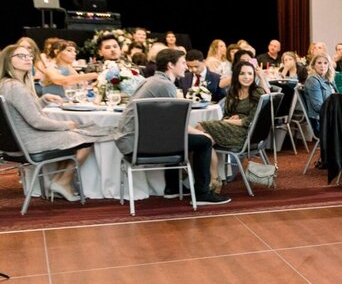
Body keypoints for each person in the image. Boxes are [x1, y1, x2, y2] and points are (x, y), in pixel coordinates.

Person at [117, 48, 230, 205]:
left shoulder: (151, 80)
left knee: (172, 137)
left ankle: (173, 188)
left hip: (131, 142)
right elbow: (176, 125)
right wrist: (203, 135)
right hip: (137, 144)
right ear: (171, 65)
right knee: (203, 142)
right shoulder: (165, 85)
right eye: (183, 63)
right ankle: (202, 193)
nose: (186, 67)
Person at [0, 43, 105, 201]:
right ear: (8, 61)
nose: (28, 59)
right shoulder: (15, 87)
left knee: (76, 135)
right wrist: (66, 125)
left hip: (17, 142)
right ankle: (63, 182)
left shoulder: (6, 84)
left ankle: (57, 182)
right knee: (88, 137)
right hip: (29, 143)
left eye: (29, 55)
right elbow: (36, 122)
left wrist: (43, 100)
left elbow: (21, 113)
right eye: (21, 56)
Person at [198, 59, 266, 155]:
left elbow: (250, 121)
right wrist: (231, 118)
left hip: (244, 134)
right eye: (242, 73)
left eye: (250, 74)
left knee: (200, 127)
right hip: (232, 128)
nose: (247, 77)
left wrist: (227, 121)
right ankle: (212, 170)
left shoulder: (257, 92)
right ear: (236, 76)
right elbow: (227, 114)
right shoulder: (233, 90)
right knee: (206, 142)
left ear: (254, 76)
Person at [302, 53, 335, 133]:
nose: (322, 66)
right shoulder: (313, 80)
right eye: (319, 63)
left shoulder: (329, 79)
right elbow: (318, 107)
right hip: (320, 121)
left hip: (330, 117)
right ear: (313, 65)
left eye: (325, 63)